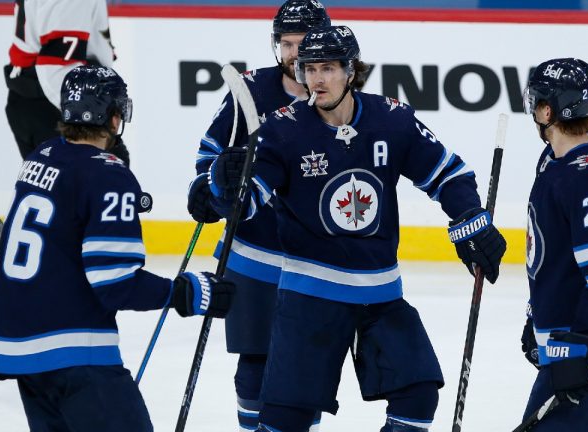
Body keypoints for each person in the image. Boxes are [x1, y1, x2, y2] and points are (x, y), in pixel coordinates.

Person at [209, 26, 507, 432]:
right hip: (309, 295)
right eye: (308, 68)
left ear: (350, 71)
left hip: (379, 293)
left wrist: (470, 220)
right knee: (285, 418)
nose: (316, 79)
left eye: (328, 68)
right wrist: (225, 187)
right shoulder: (283, 129)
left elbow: (448, 173)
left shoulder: (392, 119)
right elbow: (251, 195)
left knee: (418, 394)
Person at [0, 65, 235, 432]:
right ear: (115, 116)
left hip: (21, 351)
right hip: (74, 352)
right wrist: (185, 293)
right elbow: (115, 282)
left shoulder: (42, 155)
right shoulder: (108, 174)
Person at [187, 1, 330, 429]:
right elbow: (209, 155)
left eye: (301, 44)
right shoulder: (250, 90)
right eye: (285, 44)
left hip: (317, 260)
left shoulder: (341, 95)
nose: (292, 54)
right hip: (253, 255)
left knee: (306, 370)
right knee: (253, 368)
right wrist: (209, 187)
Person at [519, 58, 588, 431]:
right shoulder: (557, 160)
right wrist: (535, 317)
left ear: (547, 110)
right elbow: (554, 258)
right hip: (571, 341)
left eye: (536, 101)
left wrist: (577, 343)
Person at [4, 0, 129, 164]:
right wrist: (93, 125)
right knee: (112, 173)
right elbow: (56, 70)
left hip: (35, 98)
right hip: (55, 107)